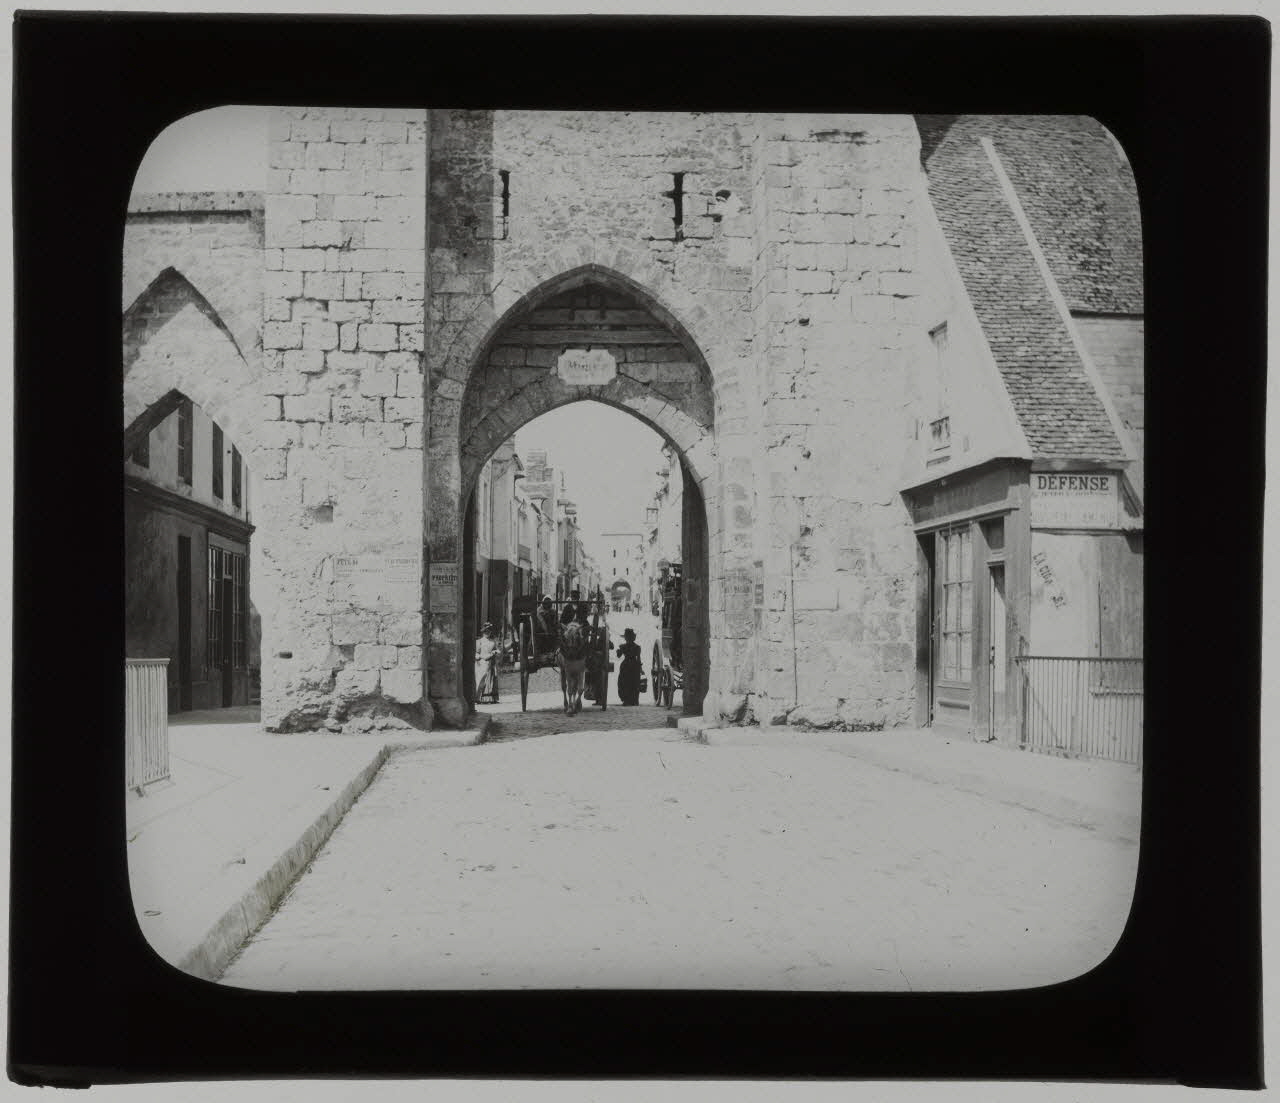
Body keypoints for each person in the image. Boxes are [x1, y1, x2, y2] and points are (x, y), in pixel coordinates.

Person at [615, 627, 643, 706]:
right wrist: (640, 668)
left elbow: (618, 656)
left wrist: (618, 651)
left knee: (624, 683)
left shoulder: (623, 646)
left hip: (626, 665)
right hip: (635, 665)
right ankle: (634, 700)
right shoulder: (637, 647)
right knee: (634, 683)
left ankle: (626, 700)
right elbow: (639, 658)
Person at [474, 622, 499, 704]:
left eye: (489, 631)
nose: (487, 633)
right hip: (482, 663)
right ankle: (478, 698)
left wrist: (495, 652)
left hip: (491, 662)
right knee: (481, 679)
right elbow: (476, 653)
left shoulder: (493, 642)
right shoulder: (479, 641)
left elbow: (497, 650)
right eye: (486, 631)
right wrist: (481, 657)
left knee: (490, 679)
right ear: (483, 632)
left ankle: (490, 698)